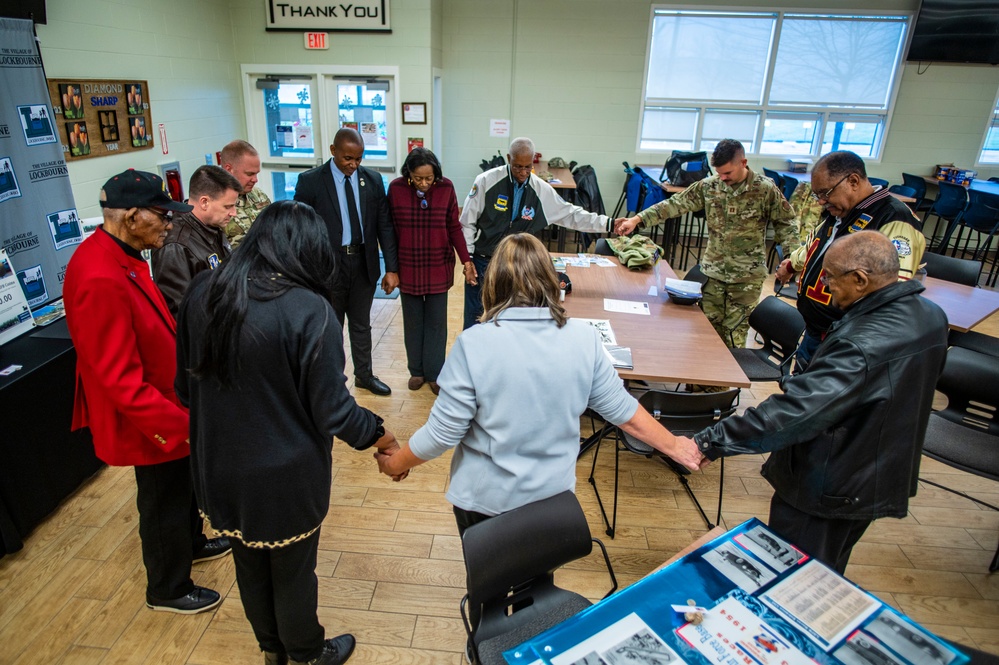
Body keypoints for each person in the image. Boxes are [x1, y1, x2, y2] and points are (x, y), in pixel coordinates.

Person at [175, 200, 403, 665]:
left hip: (216, 466)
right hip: (283, 477)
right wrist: (383, 437)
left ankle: (271, 650)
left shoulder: (202, 292)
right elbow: (334, 411)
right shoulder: (308, 309)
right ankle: (304, 651)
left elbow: (184, 388)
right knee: (294, 571)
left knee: (249, 562)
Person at [374, 233, 705, 535]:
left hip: (487, 503)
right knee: (537, 586)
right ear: (552, 281)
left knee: (488, 592)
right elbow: (627, 415)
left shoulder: (474, 344)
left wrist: (396, 463)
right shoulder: (584, 339)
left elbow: (442, 433)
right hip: (552, 500)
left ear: (493, 285)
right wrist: (676, 446)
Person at [682, 232, 947, 574]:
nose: (823, 283)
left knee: (795, 575)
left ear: (860, 279)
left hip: (830, 480)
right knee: (827, 567)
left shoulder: (862, 343)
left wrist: (709, 441)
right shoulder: (930, 316)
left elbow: (795, 413)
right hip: (875, 473)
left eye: (829, 276)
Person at [63, 169, 229, 615]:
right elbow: (119, 379)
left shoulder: (122, 252)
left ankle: (192, 543)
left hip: (166, 398)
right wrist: (183, 425)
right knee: (162, 500)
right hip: (148, 416)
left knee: (181, 487)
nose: (170, 225)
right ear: (132, 217)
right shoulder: (99, 275)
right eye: (161, 216)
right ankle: (168, 588)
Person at [615, 139, 798, 349]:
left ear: (743, 163)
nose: (723, 178)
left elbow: (787, 223)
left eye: (727, 173)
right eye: (719, 173)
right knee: (704, 335)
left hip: (746, 279)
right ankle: (698, 383)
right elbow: (674, 204)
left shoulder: (764, 189)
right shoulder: (710, 186)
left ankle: (720, 383)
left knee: (733, 339)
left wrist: (790, 259)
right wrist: (637, 220)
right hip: (713, 274)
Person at [775, 151, 925, 372]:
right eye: (817, 195)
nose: (821, 201)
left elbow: (894, 292)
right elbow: (816, 246)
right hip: (817, 330)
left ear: (853, 181)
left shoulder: (893, 218)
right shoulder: (842, 211)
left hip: (846, 342)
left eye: (825, 193)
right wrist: (791, 264)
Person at [460, 137, 615, 330]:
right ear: (509, 158)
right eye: (517, 167)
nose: (523, 173)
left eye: (527, 167)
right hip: (483, 260)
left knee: (509, 320)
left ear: (533, 160)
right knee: (476, 319)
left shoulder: (540, 189)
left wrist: (610, 224)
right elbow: (467, 223)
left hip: (515, 265)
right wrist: (468, 259)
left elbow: (572, 215)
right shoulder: (486, 181)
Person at [294, 128, 399, 396]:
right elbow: (300, 228)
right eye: (347, 159)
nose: (353, 165)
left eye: (358, 159)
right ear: (333, 151)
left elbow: (384, 226)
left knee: (362, 325)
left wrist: (391, 268)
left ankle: (364, 375)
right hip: (328, 265)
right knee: (330, 327)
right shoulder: (311, 182)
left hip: (363, 261)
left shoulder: (373, 180)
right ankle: (331, 382)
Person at [387, 148, 474, 395]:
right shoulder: (396, 189)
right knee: (413, 321)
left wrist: (466, 261)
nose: (424, 183)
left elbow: (454, 227)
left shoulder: (446, 188)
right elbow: (390, 231)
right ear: (408, 174)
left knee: (436, 322)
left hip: (438, 263)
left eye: (429, 178)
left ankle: (435, 372)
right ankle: (416, 370)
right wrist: (391, 269)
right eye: (418, 178)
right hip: (409, 264)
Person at [151, 165, 241, 316]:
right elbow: (181, 312)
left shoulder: (211, 225)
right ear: (204, 202)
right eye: (228, 206)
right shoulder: (175, 245)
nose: (234, 213)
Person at [221, 140, 271, 248]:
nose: (255, 180)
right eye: (250, 174)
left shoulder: (258, 194)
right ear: (229, 169)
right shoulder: (215, 203)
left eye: (256, 174)